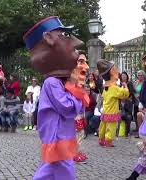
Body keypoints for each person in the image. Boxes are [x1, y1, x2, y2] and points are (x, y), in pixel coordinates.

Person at [24, 16, 88, 180]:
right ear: (49, 39)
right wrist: (77, 91)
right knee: (64, 169)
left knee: (49, 169)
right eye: (64, 35)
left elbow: (78, 108)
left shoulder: (61, 82)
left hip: (63, 133)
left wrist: (76, 91)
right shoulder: (52, 83)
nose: (76, 41)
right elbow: (67, 108)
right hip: (57, 135)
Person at [97, 59, 129, 147]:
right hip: (112, 111)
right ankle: (108, 140)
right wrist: (125, 87)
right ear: (111, 72)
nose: (117, 71)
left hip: (106, 110)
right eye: (115, 69)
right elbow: (124, 94)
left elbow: (104, 97)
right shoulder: (114, 88)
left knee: (103, 125)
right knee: (111, 127)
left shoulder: (106, 87)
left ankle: (101, 139)